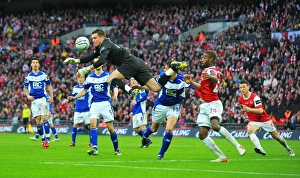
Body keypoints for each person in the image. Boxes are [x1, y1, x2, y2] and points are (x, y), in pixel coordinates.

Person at [63, 28, 188, 100]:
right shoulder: (101, 47)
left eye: (95, 38)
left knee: (109, 79)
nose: (93, 40)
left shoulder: (106, 45)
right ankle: (172, 68)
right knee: (156, 88)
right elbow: (91, 56)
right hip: (137, 62)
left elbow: (101, 61)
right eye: (92, 39)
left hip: (129, 63)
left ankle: (130, 91)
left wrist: (86, 70)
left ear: (101, 37)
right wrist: (76, 61)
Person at [185, 50, 246, 162]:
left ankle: (238, 145)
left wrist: (212, 76)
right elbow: (203, 88)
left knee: (215, 126)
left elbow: (215, 79)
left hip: (213, 103)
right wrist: (192, 82)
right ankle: (222, 157)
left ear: (211, 59)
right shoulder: (209, 71)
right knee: (202, 134)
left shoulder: (211, 70)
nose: (201, 60)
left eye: (204, 58)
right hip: (205, 105)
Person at [67, 59, 121, 156]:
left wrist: (115, 95)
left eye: (99, 62)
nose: (98, 64)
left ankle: (116, 149)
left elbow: (115, 87)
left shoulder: (107, 75)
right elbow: (84, 90)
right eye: (96, 62)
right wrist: (74, 97)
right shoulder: (90, 78)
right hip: (94, 104)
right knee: (92, 125)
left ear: (102, 64)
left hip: (105, 103)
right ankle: (95, 148)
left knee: (110, 128)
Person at [141, 61, 189, 160]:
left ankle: (161, 154)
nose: (164, 70)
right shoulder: (163, 76)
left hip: (174, 106)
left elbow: (197, 87)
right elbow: (154, 86)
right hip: (161, 105)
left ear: (173, 71)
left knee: (169, 129)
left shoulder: (183, 80)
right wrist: (140, 86)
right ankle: (145, 136)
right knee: (154, 129)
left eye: (166, 68)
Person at [238, 79, 295, 156]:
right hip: (253, 121)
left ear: (248, 87)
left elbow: (260, 110)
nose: (242, 89)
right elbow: (243, 108)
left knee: (276, 137)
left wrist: (249, 109)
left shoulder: (255, 97)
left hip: (264, 119)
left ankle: (288, 148)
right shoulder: (240, 99)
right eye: (240, 87)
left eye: (244, 87)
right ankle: (259, 148)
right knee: (250, 130)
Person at [24, 57, 54, 149]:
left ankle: (47, 140)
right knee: (37, 121)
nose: (35, 64)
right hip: (34, 101)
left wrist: (52, 96)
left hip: (43, 99)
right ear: (31, 65)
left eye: (37, 62)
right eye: (33, 62)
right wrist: (27, 96)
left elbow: (49, 85)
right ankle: (43, 139)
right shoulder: (28, 76)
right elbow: (25, 87)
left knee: (44, 118)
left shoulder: (44, 75)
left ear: (39, 64)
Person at [64, 75, 91, 147]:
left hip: (86, 109)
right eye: (79, 78)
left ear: (84, 78)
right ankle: (73, 142)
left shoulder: (87, 87)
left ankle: (91, 142)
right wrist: (68, 99)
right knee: (75, 125)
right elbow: (73, 97)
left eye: (81, 77)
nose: (80, 79)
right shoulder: (75, 88)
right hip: (78, 110)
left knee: (90, 126)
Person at [129, 77, 152, 148]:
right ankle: (147, 139)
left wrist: (137, 101)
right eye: (131, 80)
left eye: (134, 79)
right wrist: (132, 111)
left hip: (141, 111)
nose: (132, 81)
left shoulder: (140, 88)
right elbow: (133, 102)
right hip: (135, 112)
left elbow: (145, 97)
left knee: (143, 127)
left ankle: (144, 143)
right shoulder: (132, 91)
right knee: (136, 129)